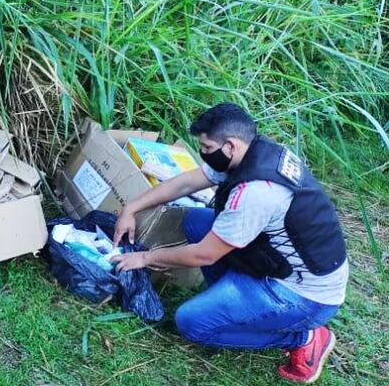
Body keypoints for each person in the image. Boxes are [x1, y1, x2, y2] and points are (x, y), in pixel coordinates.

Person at [111, 103, 348, 384]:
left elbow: (203, 256)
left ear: (231, 146)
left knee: (191, 322)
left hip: (303, 295)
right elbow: (185, 185)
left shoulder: (258, 192)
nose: (203, 153)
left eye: (207, 147)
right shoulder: (252, 153)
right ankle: (232, 297)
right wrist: (131, 208)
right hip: (278, 261)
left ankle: (305, 337)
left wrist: (146, 258)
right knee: (196, 222)